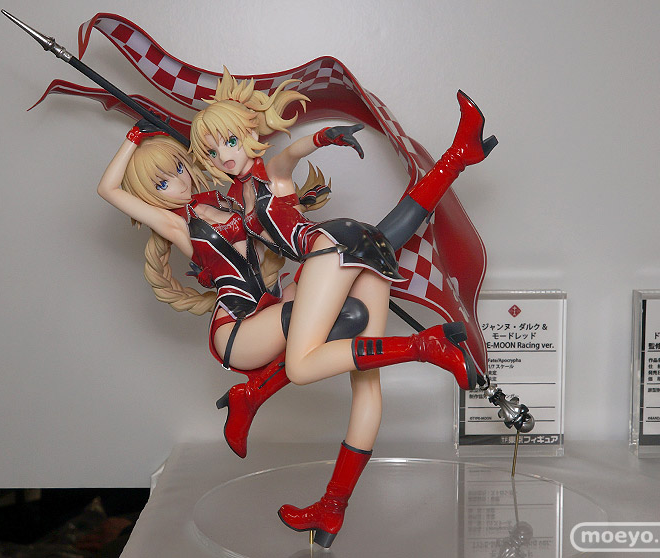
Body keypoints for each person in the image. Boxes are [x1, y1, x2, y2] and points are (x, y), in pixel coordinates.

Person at [190, 69, 496, 547]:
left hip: (331, 251)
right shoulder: (238, 200)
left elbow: (289, 154)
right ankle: (332, 507)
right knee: (367, 386)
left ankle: (426, 346)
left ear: (249, 133)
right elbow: (407, 215)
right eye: (212, 152)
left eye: (230, 140)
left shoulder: (269, 178)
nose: (225, 155)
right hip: (361, 247)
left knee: (302, 365)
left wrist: (323, 138)